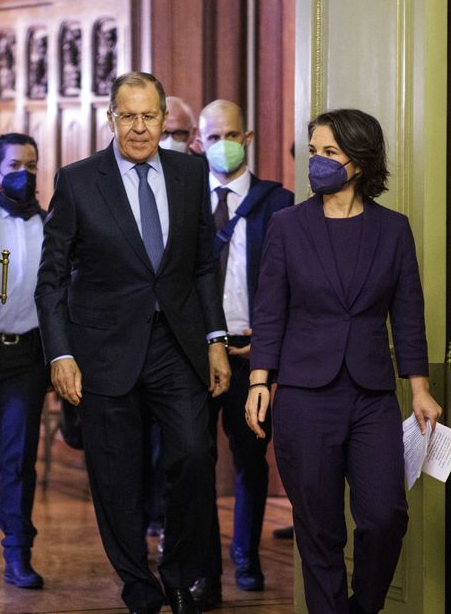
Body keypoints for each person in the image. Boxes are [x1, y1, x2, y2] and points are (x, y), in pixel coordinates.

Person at [36, 71, 232, 614]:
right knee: (116, 480)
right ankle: (139, 589)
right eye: (129, 117)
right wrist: (61, 352)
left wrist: (215, 339)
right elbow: (51, 279)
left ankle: (176, 574)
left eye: (150, 116)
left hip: (178, 346)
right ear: (111, 119)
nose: (140, 128)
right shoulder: (78, 181)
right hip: (103, 353)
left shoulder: (191, 173)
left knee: (194, 456)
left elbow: (201, 267)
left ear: (165, 119)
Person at [245, 109, 442, 614]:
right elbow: (270, 308)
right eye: (313, 151)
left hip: (372, 395)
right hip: (305, 396)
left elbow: (409, 313)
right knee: (319, 529)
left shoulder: (394, 229)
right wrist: (260, 379)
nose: (317, 161)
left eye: (329, 152)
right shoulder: (288, 226)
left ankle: (363, 608)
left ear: (359, 160)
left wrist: (419, 388)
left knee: (384, 516)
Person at [182, 99, 293, 608]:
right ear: (197, 143)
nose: (221, 144)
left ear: (246, 138)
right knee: (192, 460)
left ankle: (245, 557)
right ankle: (202, 568)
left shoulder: (280, 204)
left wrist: (269, 346)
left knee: (251, 459)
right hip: (196, 355)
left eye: (230, 134)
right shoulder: (184, 202)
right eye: (211, 137)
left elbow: (291, 284)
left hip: (253, 353)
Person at [0, 132, 51, 589]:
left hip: (27, 357)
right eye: (14, 165)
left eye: (31, 166)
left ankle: (17, 552)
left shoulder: (47, 222)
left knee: (18, 457)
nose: (24, 174)